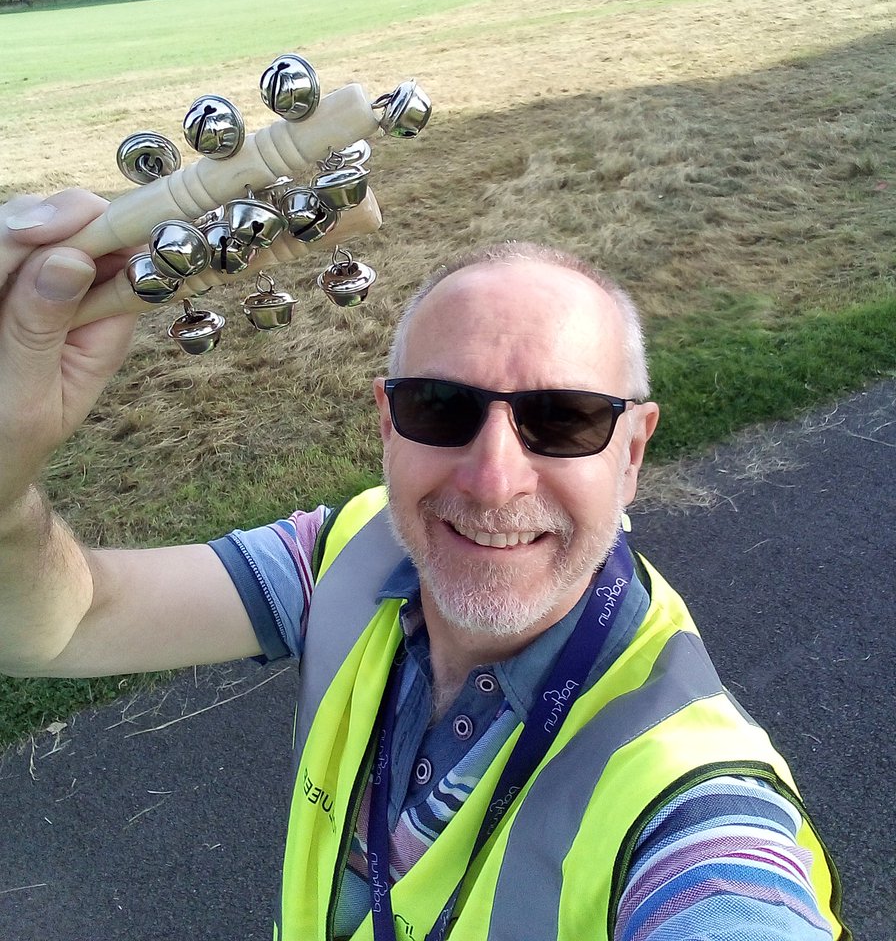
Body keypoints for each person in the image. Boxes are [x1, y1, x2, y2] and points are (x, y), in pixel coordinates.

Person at [0, 190, 847, 941]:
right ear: (386, 425)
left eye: (565, 419)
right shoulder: (349, 550)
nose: (493, 479)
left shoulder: (688, 792)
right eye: (440, 407)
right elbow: (65, 625)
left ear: (632, 451)